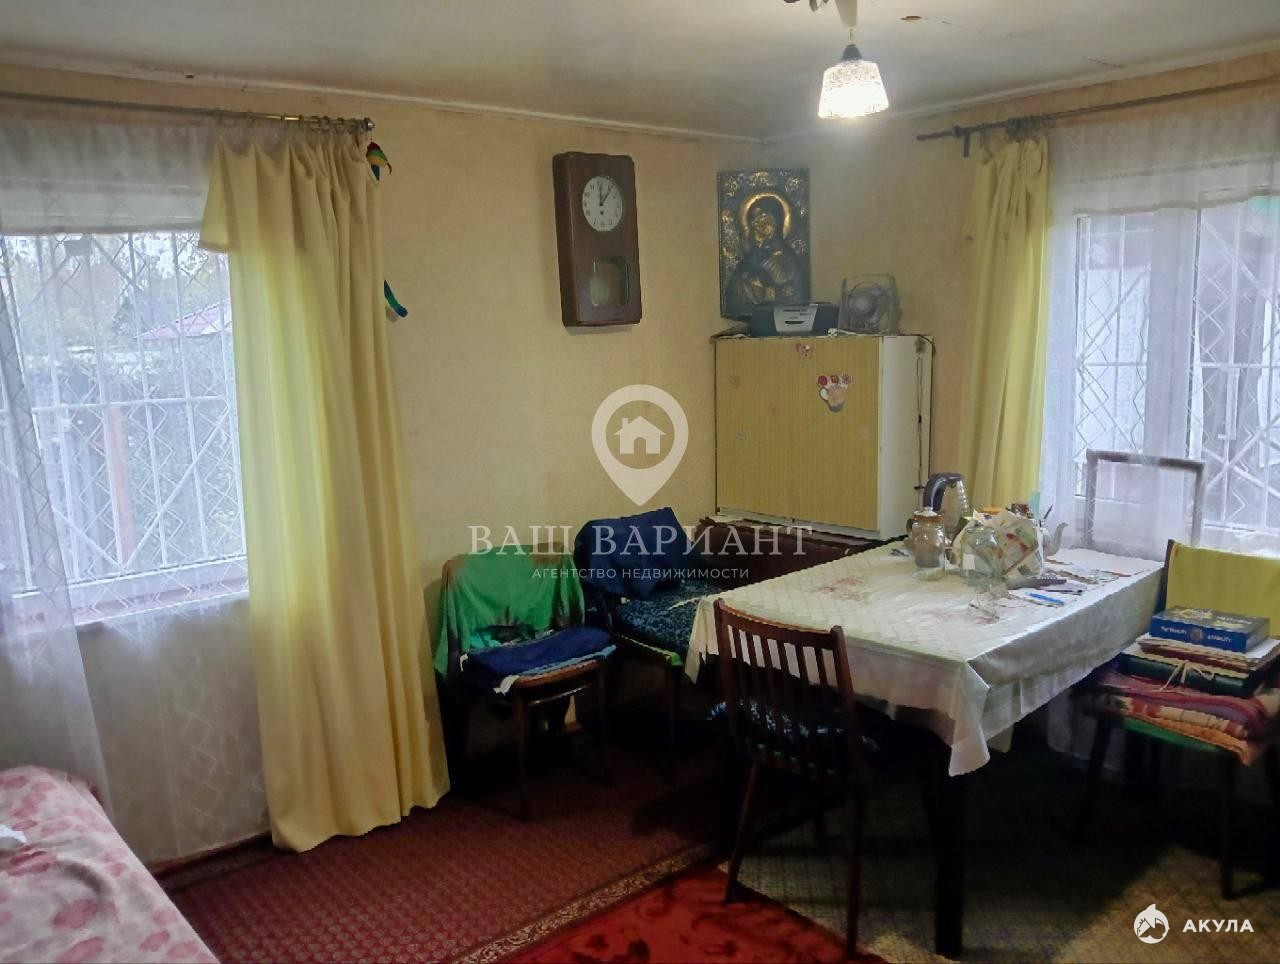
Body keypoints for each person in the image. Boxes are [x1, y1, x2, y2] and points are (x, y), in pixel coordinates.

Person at [725, 195, 804, 316]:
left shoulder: (788, 257)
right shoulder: (752, 256)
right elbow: (734, 297)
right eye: (754, 222)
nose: (756, 227)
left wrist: (771, 292)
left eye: (762, 222)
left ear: (774, 224)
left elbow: (797, 295)